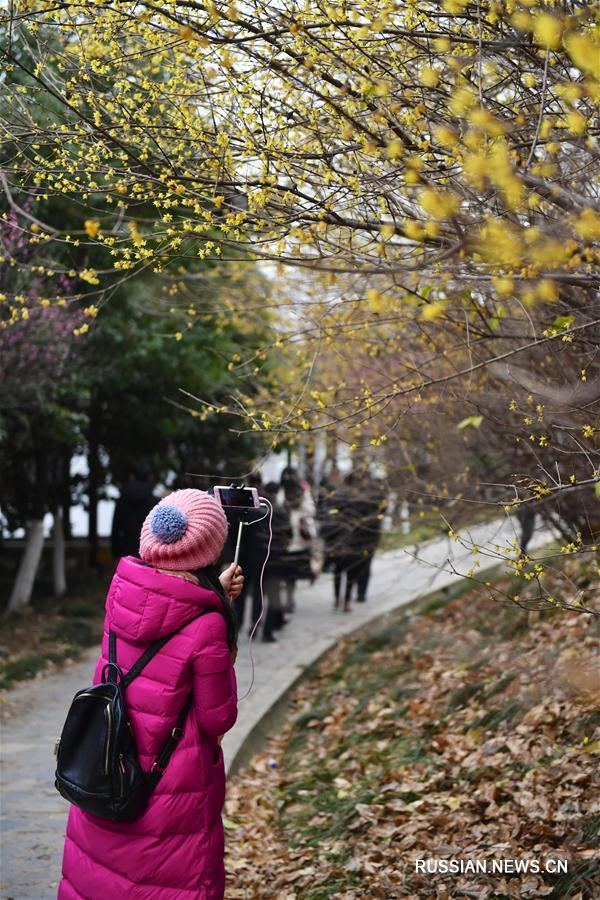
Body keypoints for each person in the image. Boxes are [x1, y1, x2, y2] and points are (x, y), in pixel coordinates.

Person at [58, 489, 243, 900]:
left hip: (109, 769)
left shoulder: (122, 593)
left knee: (102, 877)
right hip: (169, 789)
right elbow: (218, 719)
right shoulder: (207, 624)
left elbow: (166, 606)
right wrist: (221, 621)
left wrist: (214, 595)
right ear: (210, 550)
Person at [111, 463, 156, 559]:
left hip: (126, 554)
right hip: (150, 554)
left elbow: (115, 530)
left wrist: (115, 554)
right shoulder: (155, 502)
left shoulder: (122, 501)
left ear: (131, 477)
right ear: (150, 478)